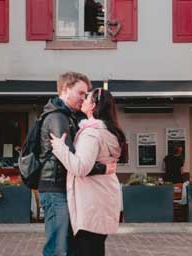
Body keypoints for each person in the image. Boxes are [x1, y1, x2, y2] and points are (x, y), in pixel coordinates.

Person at [38, 71, 111, 256]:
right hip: (55, 190)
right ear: (65, 89)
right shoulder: (57, 118)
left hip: (64, 189)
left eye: (86, 94)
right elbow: (74, 161)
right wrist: (102, 167)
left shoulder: (69, 116)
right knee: (58, 248)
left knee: (68, 247)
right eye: (81, 93)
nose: (84, 98)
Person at [50, 88, 125, 256]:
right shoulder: (107, 131)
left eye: (87, 98)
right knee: (96, 247)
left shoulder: (91, 134)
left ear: (93, 105)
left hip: (91, 201)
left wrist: (60, 149)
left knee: (88, 248)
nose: (82, 100)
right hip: (102, 197)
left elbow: (80, 167)